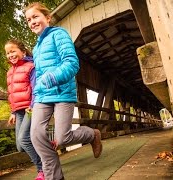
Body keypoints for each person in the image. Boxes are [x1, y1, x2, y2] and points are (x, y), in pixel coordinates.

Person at [24, 2, 103, 179]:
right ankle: (55, 177)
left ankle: (92, 134)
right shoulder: (36, 48)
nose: (32, 22)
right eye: (29, 20)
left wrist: (53, 77)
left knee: (62, 139)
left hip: (62, 93)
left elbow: (72, 63)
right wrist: (33, 100)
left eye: (35, 16)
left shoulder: (58, 34)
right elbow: (38, 77)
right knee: (36, 135)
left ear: (48, 18)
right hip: (43, 96)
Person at [5, 39, 45, 180]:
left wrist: (32, 106)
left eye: (13, 51)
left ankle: (42, 169)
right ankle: (45, 146)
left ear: (22, 51)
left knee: (24, 139)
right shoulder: (10, 72)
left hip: (31, 108)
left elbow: (36, 88)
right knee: (20, 146)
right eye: (8, 53)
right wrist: (13, 112)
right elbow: (12, 93)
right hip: (19, 111)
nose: (10, 55)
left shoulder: (30, 67)